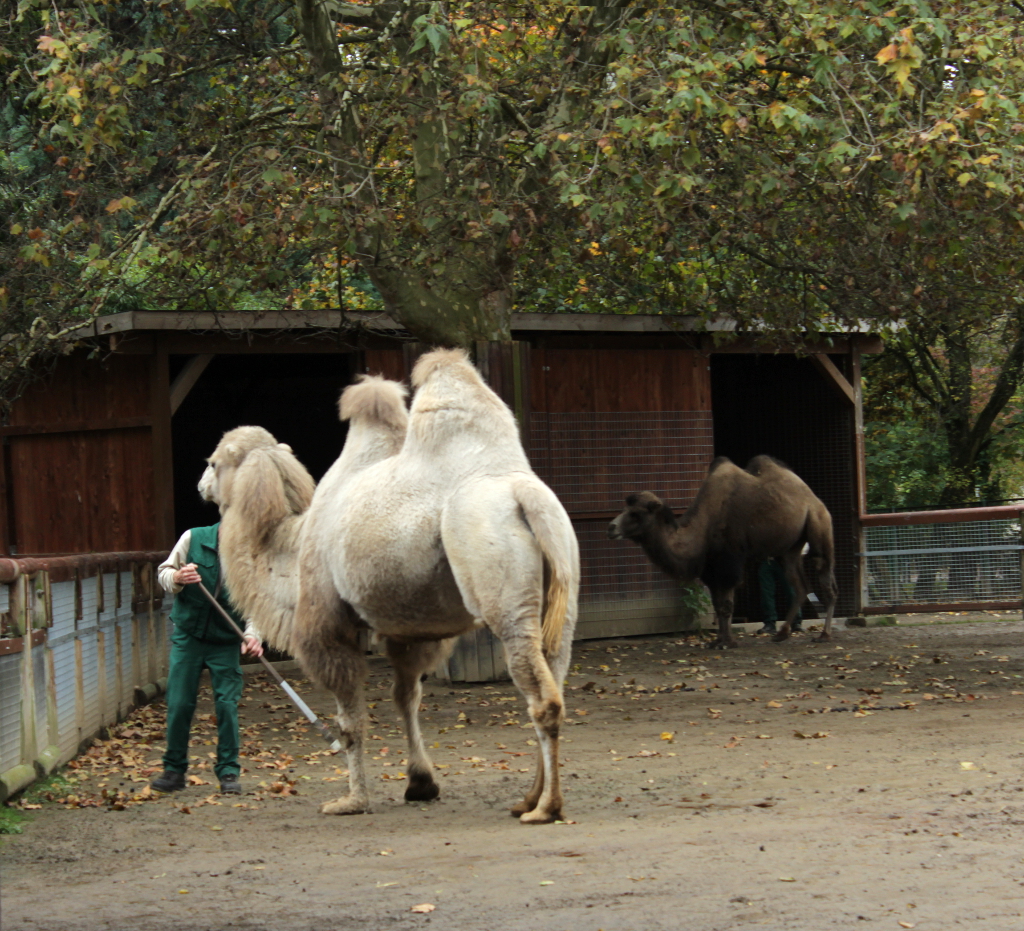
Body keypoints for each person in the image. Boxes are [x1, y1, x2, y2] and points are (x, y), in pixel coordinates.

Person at [150, 523, 263, 795]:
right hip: (188, 635)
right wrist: (178, 577)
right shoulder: (193, 538)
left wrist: (253, 635)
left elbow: (256, 600)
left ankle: (228, 772)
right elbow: (163, 573)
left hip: (225, 640)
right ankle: (174, 771)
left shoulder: (252, 550)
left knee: (227, 705)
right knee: (179, 703)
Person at [757, 557, 803, 634]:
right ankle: (769, 623)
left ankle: (796, 622)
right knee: (766, 593)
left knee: (792, 591)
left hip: (786, 560)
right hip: (768, 559)